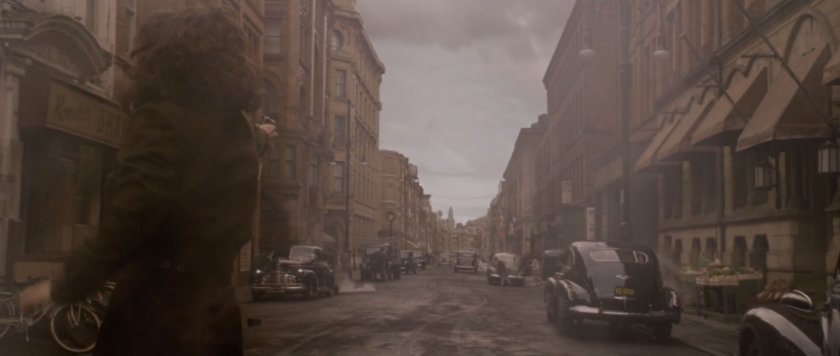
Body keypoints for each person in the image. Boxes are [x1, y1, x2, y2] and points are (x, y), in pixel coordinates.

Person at [21, 7, 275, 356]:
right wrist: (261, 135)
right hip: (216, 317)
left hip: (157, 318)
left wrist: (63, 286)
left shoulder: (163, 120)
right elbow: (229, 151)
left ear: (166, 56)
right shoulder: (238, 129)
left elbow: (133, 216)